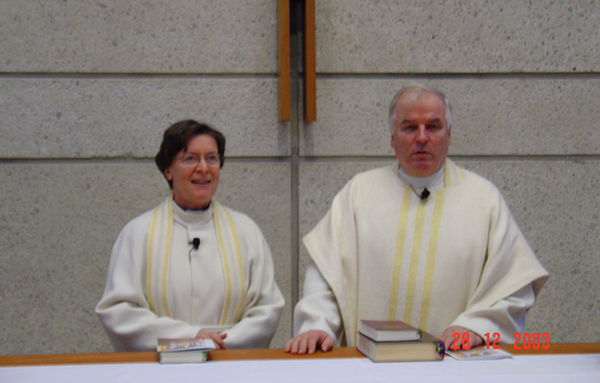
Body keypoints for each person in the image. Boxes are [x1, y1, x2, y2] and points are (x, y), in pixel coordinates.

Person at [285, 84, 549, 354]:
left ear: (449, 135)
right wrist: (317, 325)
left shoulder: (484, 199)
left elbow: (512, 285)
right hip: (371, 365)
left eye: (433, 127)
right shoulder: (358, 194)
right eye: (410, 127)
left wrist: (475, 327)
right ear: (392, 137)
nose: (422, 137)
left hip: (454, 362)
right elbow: (327, 276)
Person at [96, 120, 284, 351]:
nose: (203, 168)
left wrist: (219, 345)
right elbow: (119, 312)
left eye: (212, 158)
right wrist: (188, 338)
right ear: (168, 170)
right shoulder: (137, 234)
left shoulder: (246, 231)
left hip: (229, 361)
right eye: (190, 158)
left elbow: (266, 309)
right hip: (161, 365)